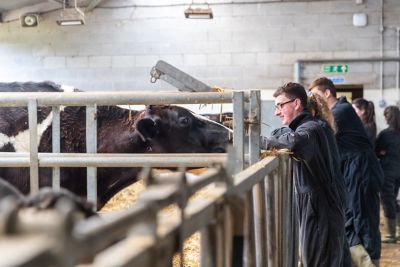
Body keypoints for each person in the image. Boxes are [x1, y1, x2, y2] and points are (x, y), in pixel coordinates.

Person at [262, 82, 347, 266]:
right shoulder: (314, 126)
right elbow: (286, 135)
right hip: (319, 208)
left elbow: (295, 143)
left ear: (297, 103)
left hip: (320, 211)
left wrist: (263, 142)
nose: (277, 112)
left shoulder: (311, 129)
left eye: (280, 105)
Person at [309, 77, 383, 267]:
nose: (313, 100)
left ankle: (371, 263)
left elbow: (318, 128)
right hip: (353, 168)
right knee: (353, 216)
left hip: (361, 169)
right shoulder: (340, 110)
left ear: (327, 93)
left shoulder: (340, 111)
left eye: (316, 95)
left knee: (363, 217)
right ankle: (362, 261)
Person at [375, 106, 400, 243]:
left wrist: (382, 152)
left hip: (388, 171)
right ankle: (397, 230)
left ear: (387, 117)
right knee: (394, 199)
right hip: (398, 171)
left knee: (387, 200)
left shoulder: (385, 134)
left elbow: (377, 150)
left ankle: (391, 235)